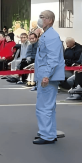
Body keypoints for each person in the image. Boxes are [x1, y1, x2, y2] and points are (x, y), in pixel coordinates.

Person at [33, 10, 65, 145]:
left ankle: (47, 135)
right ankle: (49, 133)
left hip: (48, 77)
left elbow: (53, 58)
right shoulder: (47, 34)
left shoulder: (51, 36)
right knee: (48, 107)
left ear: (50, 20)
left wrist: (46, 75)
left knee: (44, 107)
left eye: (42, 17)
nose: (40, 19)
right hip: (46, 75)